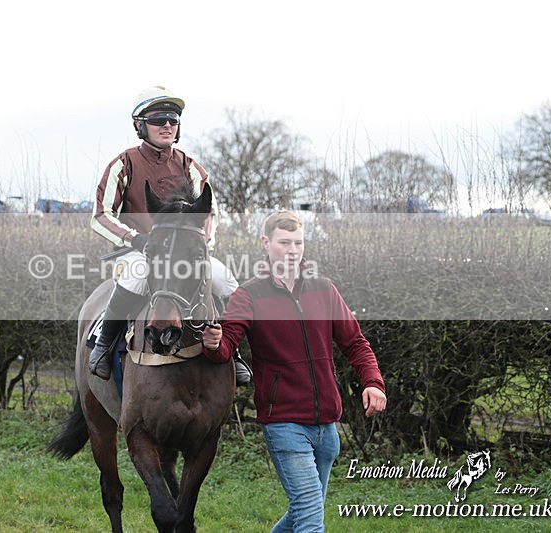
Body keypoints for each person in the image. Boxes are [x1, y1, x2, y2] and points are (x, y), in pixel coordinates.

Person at [201, 210, 387, 532]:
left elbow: (355, 342)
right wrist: (213, 344)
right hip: (284, 423)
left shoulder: (323, 288)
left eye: (298, 243)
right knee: (310, 514)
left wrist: (373, 382)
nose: (293, 250)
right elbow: (225, 348)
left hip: (327, 427)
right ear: (266, 243)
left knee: (304, 511)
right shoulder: (249, 295)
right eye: (284, 242)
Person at [89, 85, 251, 385]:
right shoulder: (123, 164)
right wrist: (135, 239)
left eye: (173, 120)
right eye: (158, 119)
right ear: (140, 125)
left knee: (225, 280)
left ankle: (235, 351)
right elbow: (100, 215)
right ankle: (103, 344)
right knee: (137, 275)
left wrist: (201, 246)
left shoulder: (191, 167)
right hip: (138, 250)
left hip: (187, 251)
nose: (166, 125)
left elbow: (210, 214)